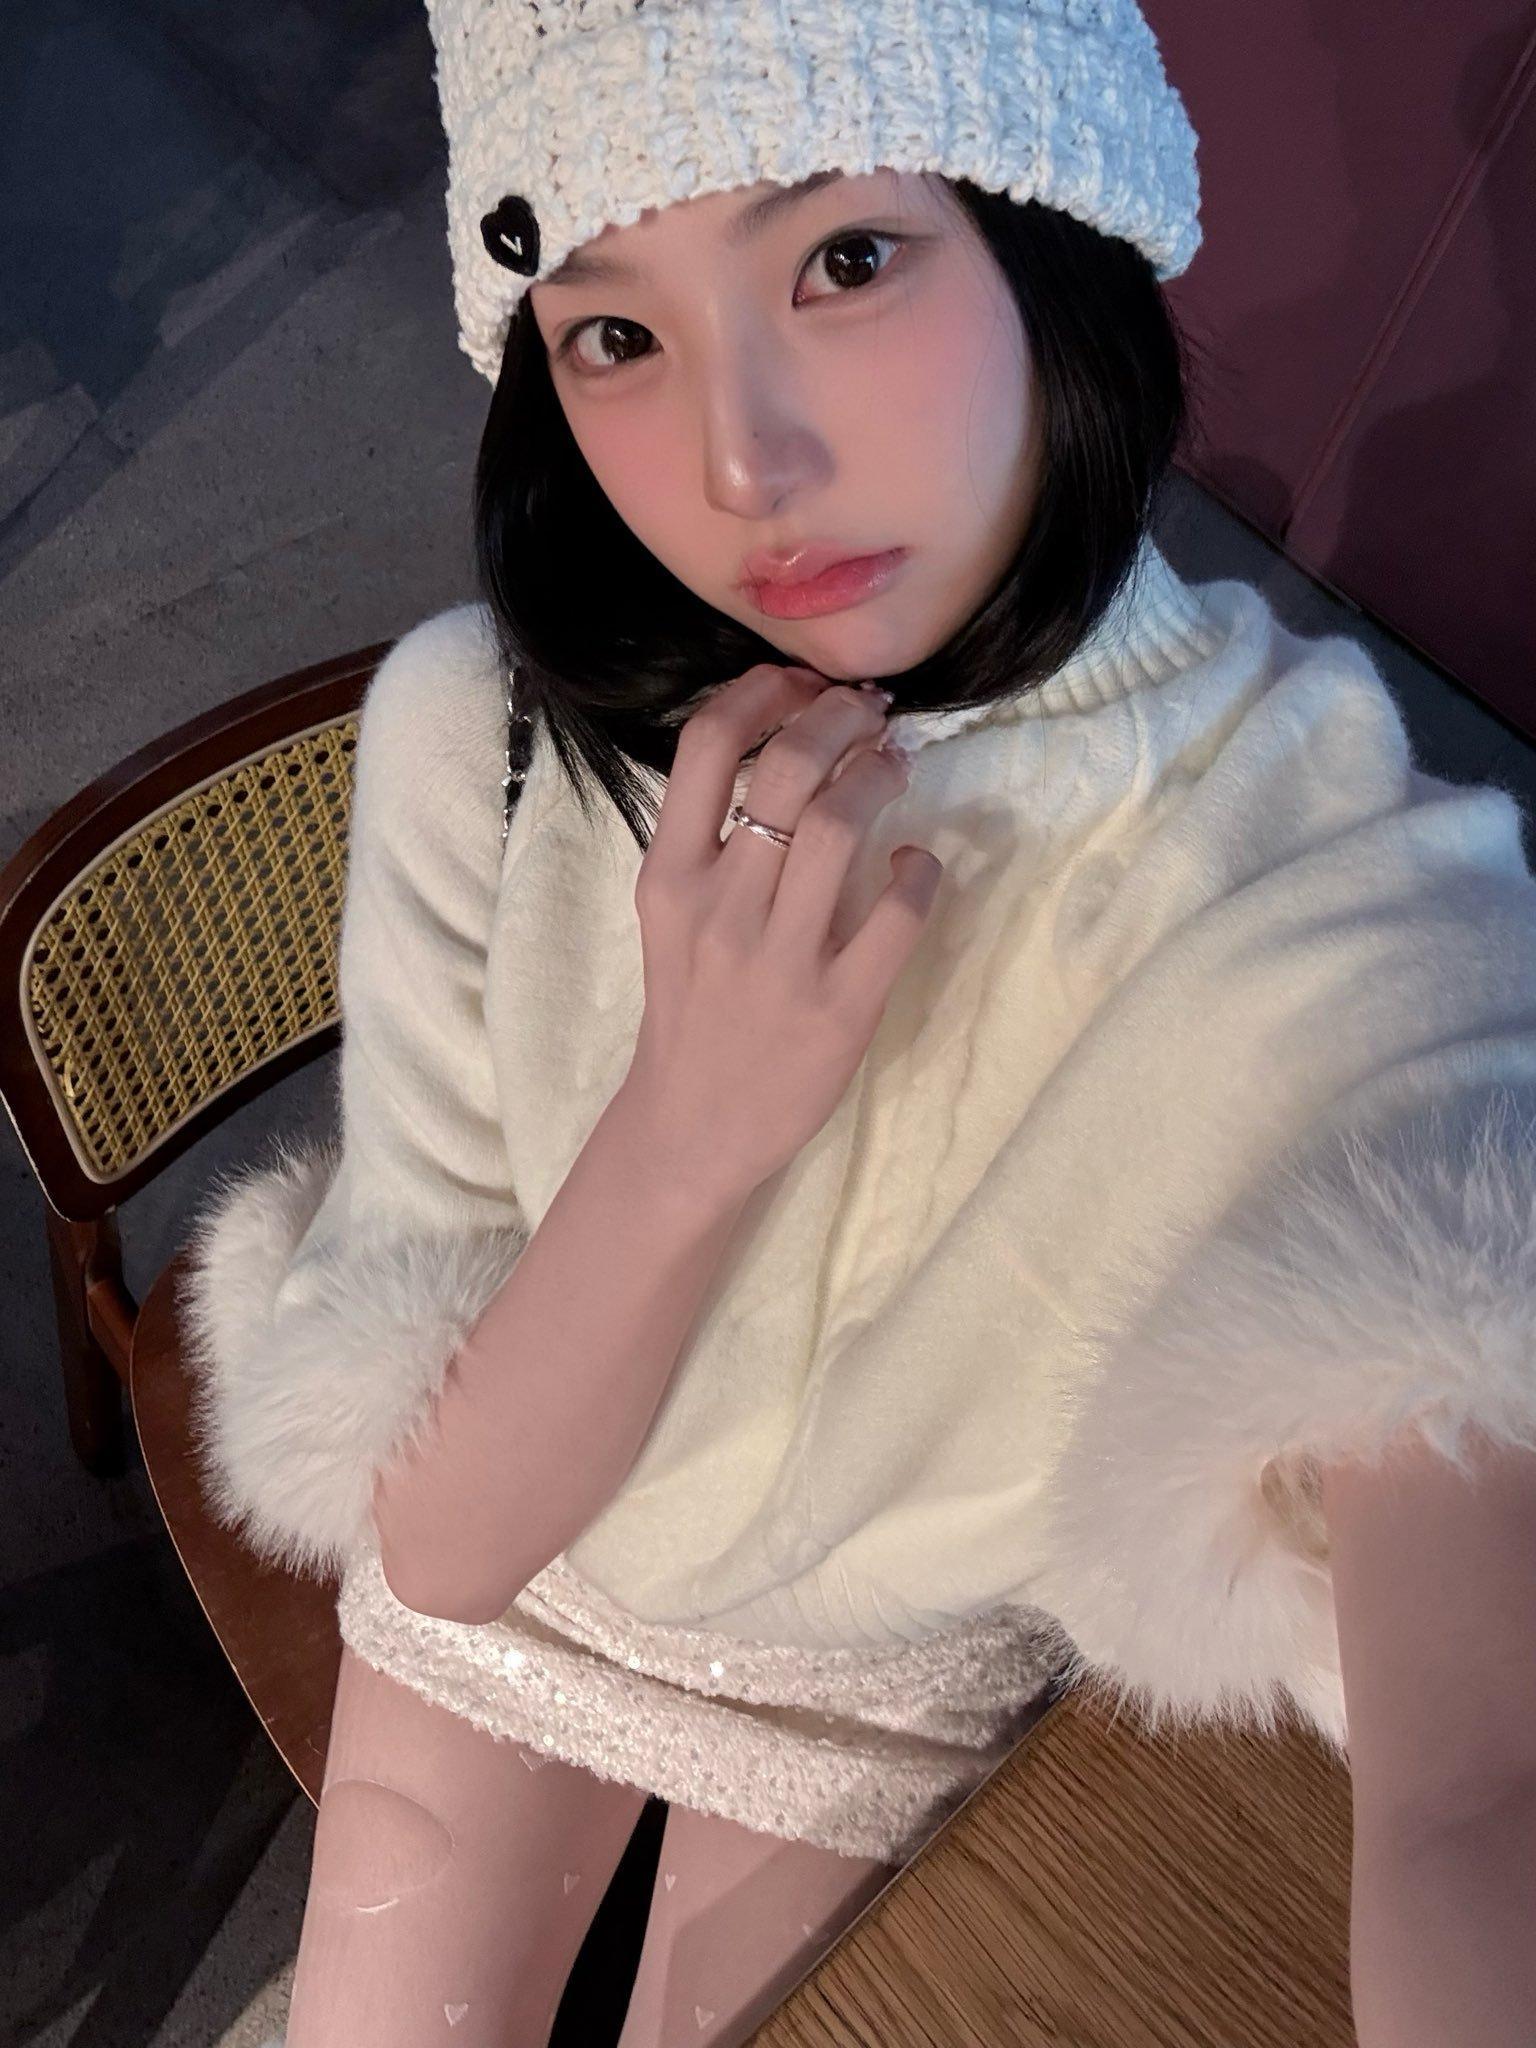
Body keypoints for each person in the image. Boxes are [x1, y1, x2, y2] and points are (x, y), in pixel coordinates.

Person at [182, 3, 1536, 2044]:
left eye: (846, 258)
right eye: (614, 332)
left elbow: (1484, 1785)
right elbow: (445, 1548)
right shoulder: (492, 744)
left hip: (875, 1687)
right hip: (513, 1566)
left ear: (1052, 222)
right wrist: (691, 1124)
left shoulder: (1313, 868)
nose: (745, 466)